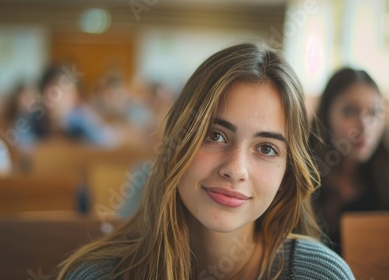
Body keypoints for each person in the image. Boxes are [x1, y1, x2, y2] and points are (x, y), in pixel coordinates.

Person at [57, 43, 354, 280]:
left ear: (287, 173)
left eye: (266, 148)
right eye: (215, 135)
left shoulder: (321, 275)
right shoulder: (96, 275)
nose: (235, 169)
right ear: (176, 140)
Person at [310, 68, 389, 255]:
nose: (364, 127)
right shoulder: (303, 184)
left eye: (374, 113)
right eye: (350, 112)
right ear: (327, 115)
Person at [16, 65, 122, 149]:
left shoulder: (82, 117)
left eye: (64, 93)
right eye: (52, 92)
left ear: (75, 97)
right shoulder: (29, 118)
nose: (56, 100)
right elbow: (20, 145)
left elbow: (108, 141)